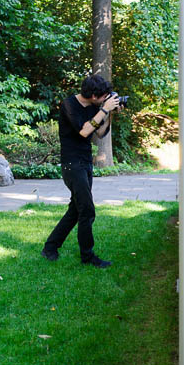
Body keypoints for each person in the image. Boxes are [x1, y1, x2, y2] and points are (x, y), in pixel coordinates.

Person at [41, 75, 123, 268]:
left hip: (85, 162)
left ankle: (50, 247)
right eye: (103, 97)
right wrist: (104, 109)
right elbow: (84, 131)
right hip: (72, 164)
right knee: (86, 210)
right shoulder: (69, 105)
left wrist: (109, 113)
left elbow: (100, 133)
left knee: (76, 210)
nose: (105, 99)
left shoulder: (96, 107)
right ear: (93, 95)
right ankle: (88, 256)